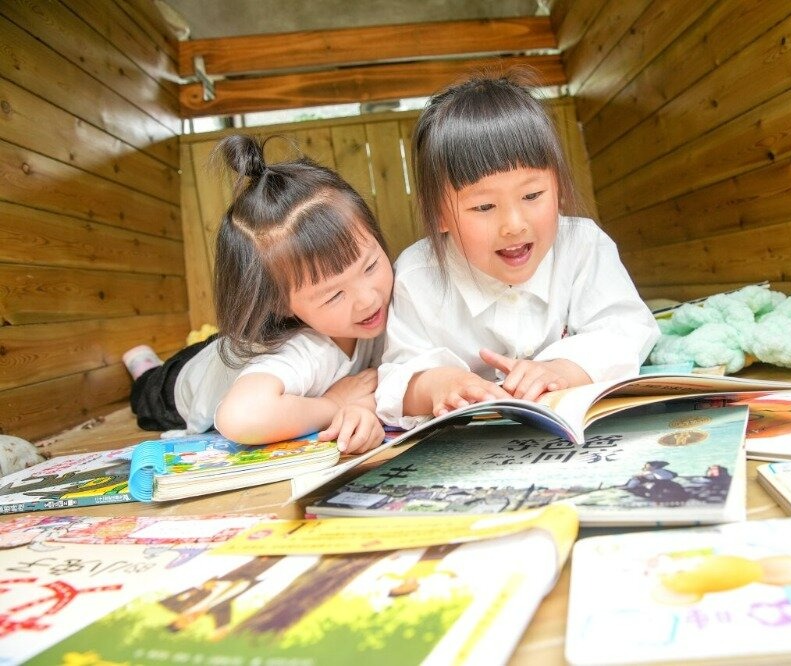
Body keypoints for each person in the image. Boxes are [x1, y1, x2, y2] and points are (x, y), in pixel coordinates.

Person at [376, 70, 659, 428]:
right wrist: (439, 385)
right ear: (438, 214)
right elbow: (397, 378)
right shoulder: (418, 276)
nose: (513, 224)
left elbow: (627, 328)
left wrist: (563, 369)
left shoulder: (583, 244)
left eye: (532, 195)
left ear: (558, 187)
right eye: (484, 207)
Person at [125, 135, 393, 453]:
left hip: (235, 349)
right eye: (333, 296)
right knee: (146, 392)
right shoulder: (304, 351)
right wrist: (333, 404)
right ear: (279, 304)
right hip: (184, 382)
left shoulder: (390, 299)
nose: (368, 299)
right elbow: (240, 418)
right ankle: (144, 367)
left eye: (370, 266)